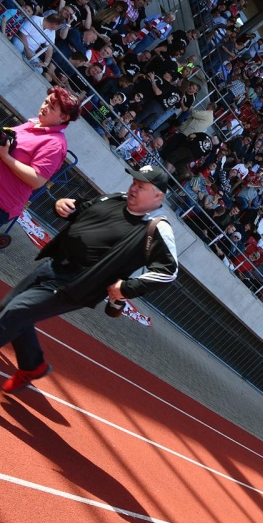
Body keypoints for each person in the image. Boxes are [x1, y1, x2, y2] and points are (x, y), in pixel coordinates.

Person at [0, 165, 179, 393]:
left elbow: (168, 273)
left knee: (15, 313)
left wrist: (126, 287)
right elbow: (80, 209)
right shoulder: (116, 198)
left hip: (74, 284)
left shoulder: (156, 228)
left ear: (158, 195)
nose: (133, 188)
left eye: (141, 186)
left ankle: (31, 364)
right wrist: (62, 206)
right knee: (10, 310)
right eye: (134, 182)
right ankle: (32, 365)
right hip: (54, 264)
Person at [0, 87, 79, 223]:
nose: (44, 107)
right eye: (46, 102)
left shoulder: (55, 144)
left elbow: (38, 180)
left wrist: (6, 157)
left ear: (64, 117)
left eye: (52, 107)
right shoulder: (35, 123)